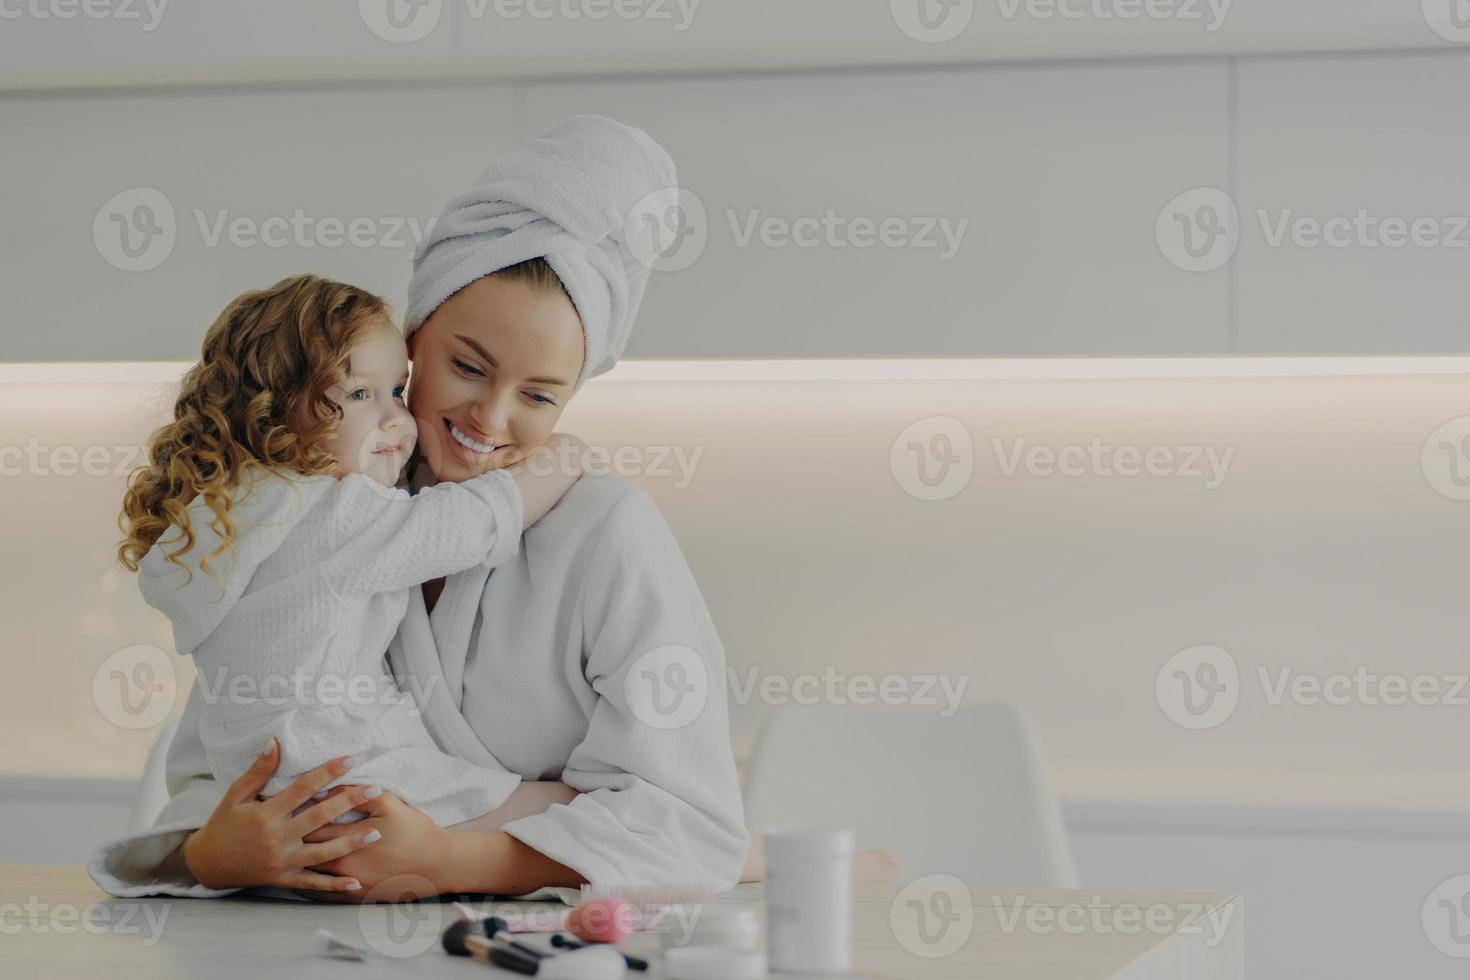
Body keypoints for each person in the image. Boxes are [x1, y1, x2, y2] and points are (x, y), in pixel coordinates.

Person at [90, 115, 752, 901]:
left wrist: (449, 861)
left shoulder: (607, 532)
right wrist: (213, 855)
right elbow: (229, 764)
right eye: (467, 366)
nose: (491, 419)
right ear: (412, 339)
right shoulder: (312, 512)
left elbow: (694, 827)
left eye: (540, 396)